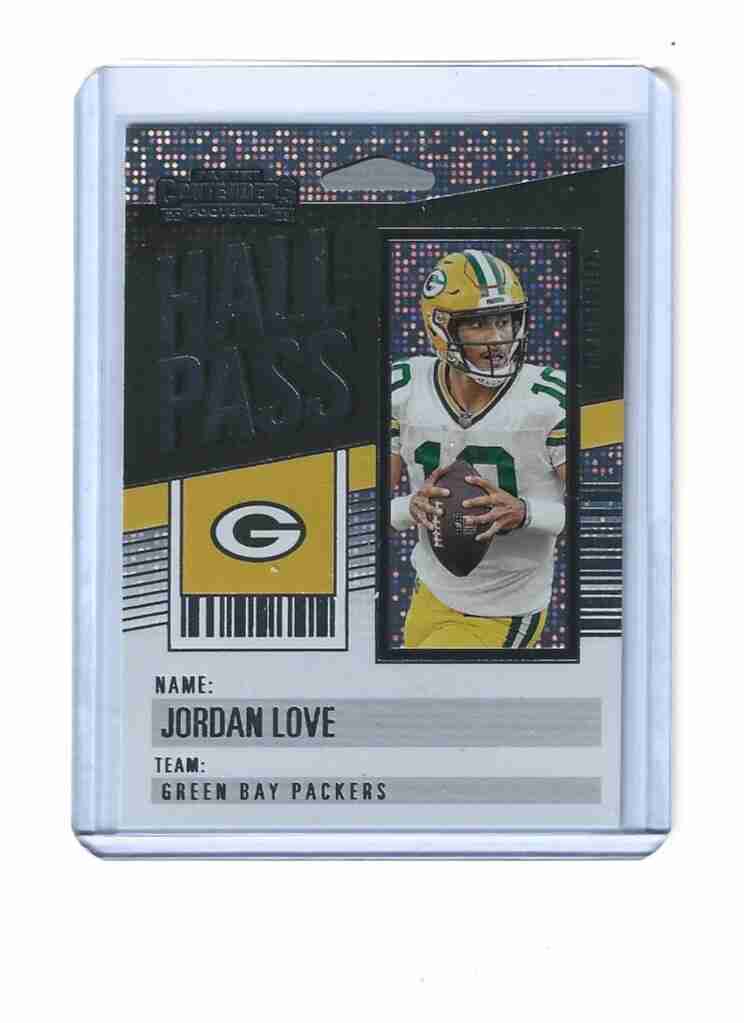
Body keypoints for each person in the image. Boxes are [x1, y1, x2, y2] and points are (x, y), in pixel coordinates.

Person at [390, 249, 567, 650]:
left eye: (503, 320)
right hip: (429, 591)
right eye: (478, 324)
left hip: (502, 610)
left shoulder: (549, 401)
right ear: (441, 327)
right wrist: (408, 507)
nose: (497, 339)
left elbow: (603, 515)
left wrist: (525, 512)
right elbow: (358, 507)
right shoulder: (404, 388)